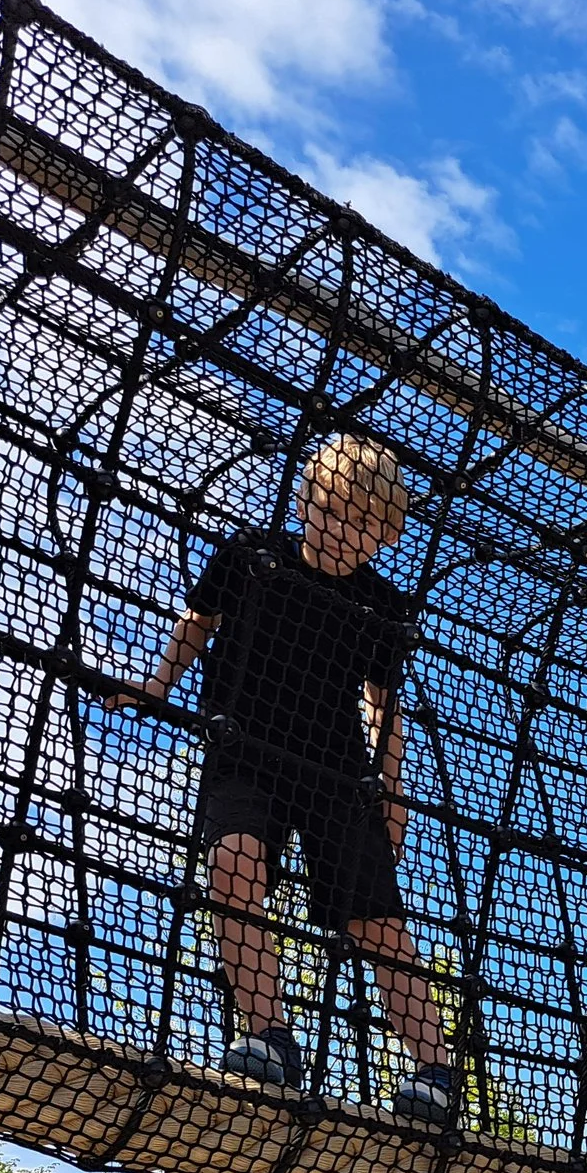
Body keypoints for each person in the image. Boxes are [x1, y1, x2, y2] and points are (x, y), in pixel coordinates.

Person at [109, 433, 454, 1123]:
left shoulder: (380, 605)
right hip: (246, 750)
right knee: (232, 866)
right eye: (326, 510)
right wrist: (156, 684)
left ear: (387, 534)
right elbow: (197, 623)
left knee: (377, 922)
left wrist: (394, 793)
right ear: (302, 501)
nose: (337, 530)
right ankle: (267, 1034)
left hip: (337, 771)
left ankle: (437, 1073)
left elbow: (382, 706)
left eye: (359, 522)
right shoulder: (251, 558)